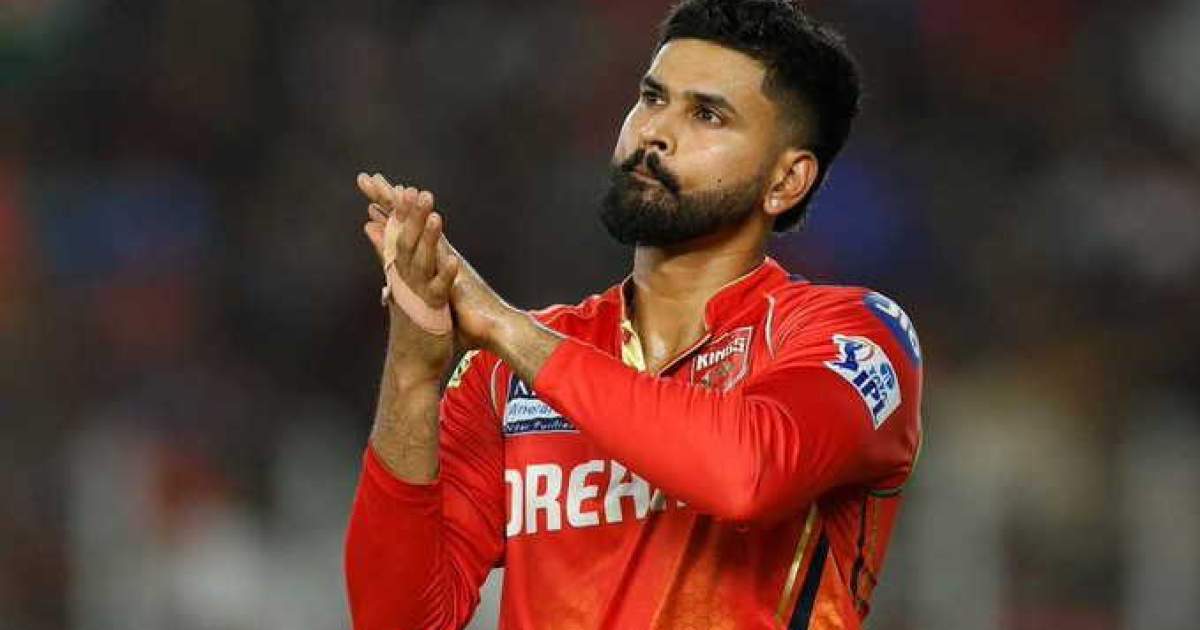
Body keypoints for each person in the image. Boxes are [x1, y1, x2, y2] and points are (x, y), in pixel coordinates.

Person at [344, 1, 923, 628]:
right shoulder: (506, 376)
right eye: (652, 98)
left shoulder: (853, 335)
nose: (654, 132)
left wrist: (507, 328)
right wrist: (413, 371)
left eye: (706, 114)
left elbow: (748, 474)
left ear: (786, 181)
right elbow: (395, 619)